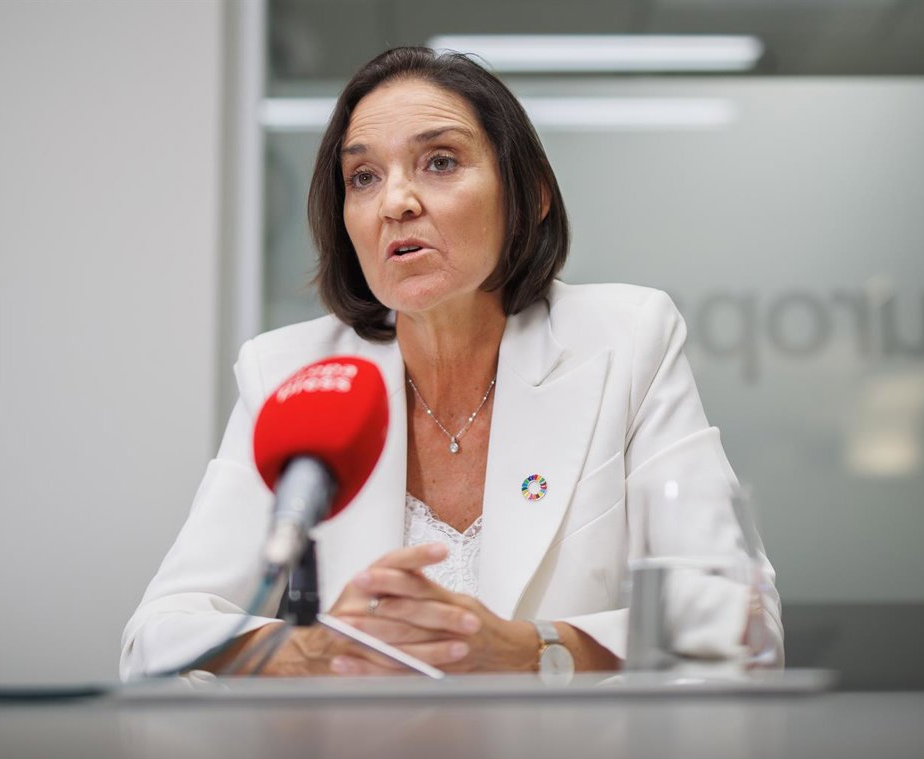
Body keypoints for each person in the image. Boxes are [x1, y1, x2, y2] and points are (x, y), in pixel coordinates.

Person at [120, 46, 783, 680]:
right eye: (363, 177)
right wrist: (313, 655)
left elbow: (739, 622)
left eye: (439, 162)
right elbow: (156, 636)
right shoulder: (290, 373)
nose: (396, 202)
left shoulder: (627, 340)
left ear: (530, 195)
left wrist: (530, 651)